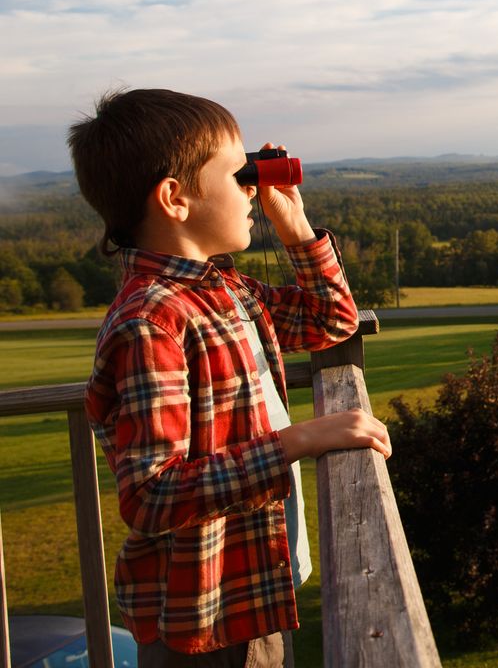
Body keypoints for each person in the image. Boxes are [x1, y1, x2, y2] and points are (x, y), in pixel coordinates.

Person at [70, 88, 391, 668]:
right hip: (204, 612)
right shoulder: (152, 322)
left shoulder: (224, 290)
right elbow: (150, 494)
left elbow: (331, 320)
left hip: (252, 584)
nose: (251, 188)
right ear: (174, 198)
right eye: (237, 172)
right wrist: (299, 440)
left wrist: (293, 223)